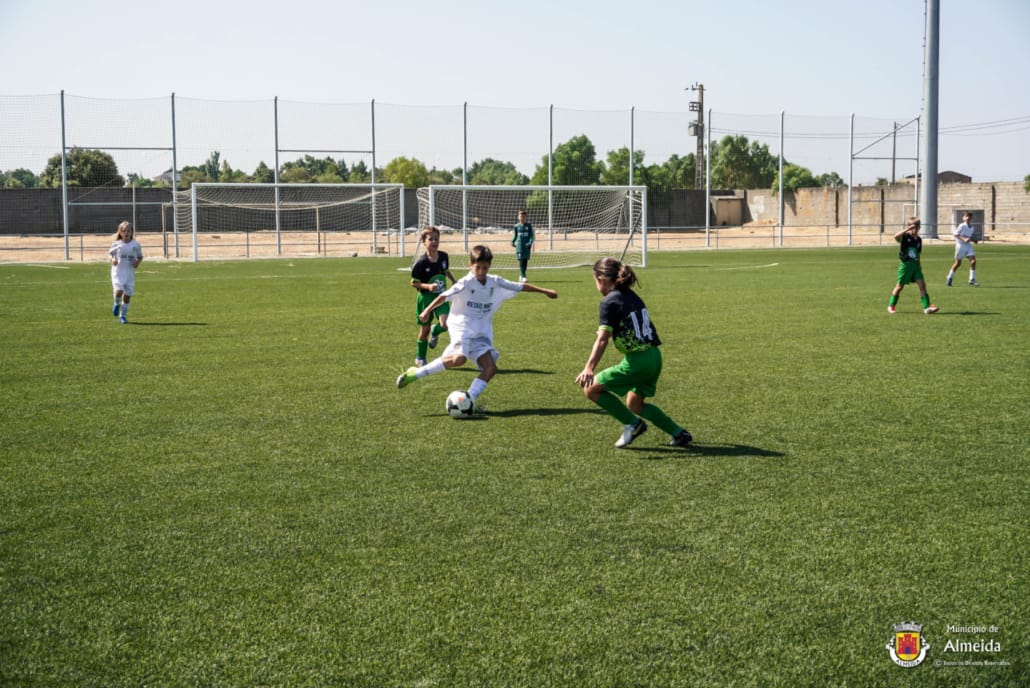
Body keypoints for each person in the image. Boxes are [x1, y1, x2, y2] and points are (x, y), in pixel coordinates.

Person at [396, 245, 557, 408]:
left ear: (489, 266)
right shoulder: (466, 283)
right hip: (462, 326)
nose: (481, 271)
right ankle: (414, 374)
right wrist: (427, 310)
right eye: (477, 267)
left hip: (481, 331)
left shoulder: (495, 282)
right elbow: (444, 296)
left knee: (490, 368)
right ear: (470, 265)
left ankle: (469, 400)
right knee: (459, 359)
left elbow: (521, 286)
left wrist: (545, 291)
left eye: (485, 268)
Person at [575, 257, 693, 449]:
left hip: (637, 362)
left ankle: (633, 424)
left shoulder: (608, 301)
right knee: (635, 404)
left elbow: (603, 339)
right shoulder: (631, 295)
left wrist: (589, 367)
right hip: (654, 357)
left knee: (591, 389)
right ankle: (678, 433)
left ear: (601, 280)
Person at [409, 226, 458, 367]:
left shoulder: (443, 256)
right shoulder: (421, 263)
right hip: (425, 299)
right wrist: (428, 287)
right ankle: (420, 357)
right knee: (424, 330)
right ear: (424, 242)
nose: (434, 241)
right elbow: (414, 283)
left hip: (441, 296)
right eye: (430, 239)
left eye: (436, 238)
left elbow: (445, 269)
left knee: (446, 324)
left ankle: (435, 330)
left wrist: (453, 280)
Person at [887, 217, 939, 315]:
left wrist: (919, 266)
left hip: (915, 266)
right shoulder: (905, 236)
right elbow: (895, 236)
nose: (914, 230)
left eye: (916, 227)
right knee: (899, 287)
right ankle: (891, 305)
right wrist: (907, 229)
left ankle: (927, 308)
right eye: (912, 228)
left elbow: (918, 254)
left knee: (922, 285)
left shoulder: (919, 240)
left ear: (919, 227)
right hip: (905, 265)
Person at [108, 221, 143, 324]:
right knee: (119, 291)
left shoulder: (135, 245)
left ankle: (122, 316)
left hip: (129, 273)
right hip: (118, 272)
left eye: (128, 231)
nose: (126, 233)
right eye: (124, 231)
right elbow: (110, 254)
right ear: (120, 232)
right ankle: (116, 303)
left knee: (127, 296)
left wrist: (137, 262)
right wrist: (113, 260)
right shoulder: (116, 244)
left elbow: (140, 256)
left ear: (131, 232)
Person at [946, 211, 979, 286]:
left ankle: (972, 279)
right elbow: (955, 234)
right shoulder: (962, 225)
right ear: (963, 218)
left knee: (973, 261)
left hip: (968, 246)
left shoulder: (972, 228)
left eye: (969, 216)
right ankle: (950, 277)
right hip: (960, 246)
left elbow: (968, 237)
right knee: (958, 263)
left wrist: (974, 240)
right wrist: (963, 239)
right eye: (966, 216)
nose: (968, 218)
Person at [511, 209, 534, 283]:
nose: (522, 217)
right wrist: (512, 241)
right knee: (521, 260)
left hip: (527, 246)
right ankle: (523, 276)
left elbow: (532, 236)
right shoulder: (516, 226)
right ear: (518, 217)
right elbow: (515, 236)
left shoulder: (529, 226)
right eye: (521, 216)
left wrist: (530, 242)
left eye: (524, 216)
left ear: (526, 217)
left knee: (525, 260)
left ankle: (521, 275)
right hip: (519, 245)